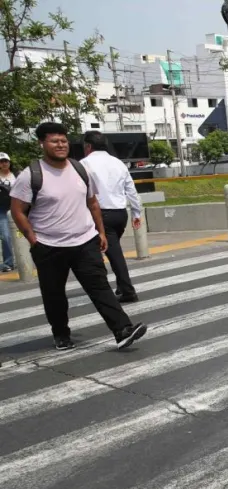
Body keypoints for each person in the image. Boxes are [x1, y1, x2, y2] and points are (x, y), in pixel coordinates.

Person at [9, 123, 146, 351]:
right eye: (54, 141)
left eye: (63, 140)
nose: (60, 145)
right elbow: (17, 211)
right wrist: (33, 239)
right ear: (41, 143)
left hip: (85, 241)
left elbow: (92, 203)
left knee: (100, 287)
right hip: (49, 245)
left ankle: (123, 329)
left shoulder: (80, 169)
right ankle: (61, 334)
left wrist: (100, 232)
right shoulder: (31, 175)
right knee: (54, 295)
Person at [81, 131, 143, 303]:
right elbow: (131, 189)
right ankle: (121, 287)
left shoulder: (83, 164)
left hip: (100, 215)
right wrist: (136, 213)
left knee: (111, 254)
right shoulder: (118, 164)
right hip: (120, 214)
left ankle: (127, 290)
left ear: (88, 146)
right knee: (111, 251)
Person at [0, 153, 16, 272]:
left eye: (6, 161)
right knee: (6, 236)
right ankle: (8, 262)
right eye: (1, 161)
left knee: (24, 234)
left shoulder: (16, 175)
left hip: (16, 208)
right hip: (2, 210)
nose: (4, 163)